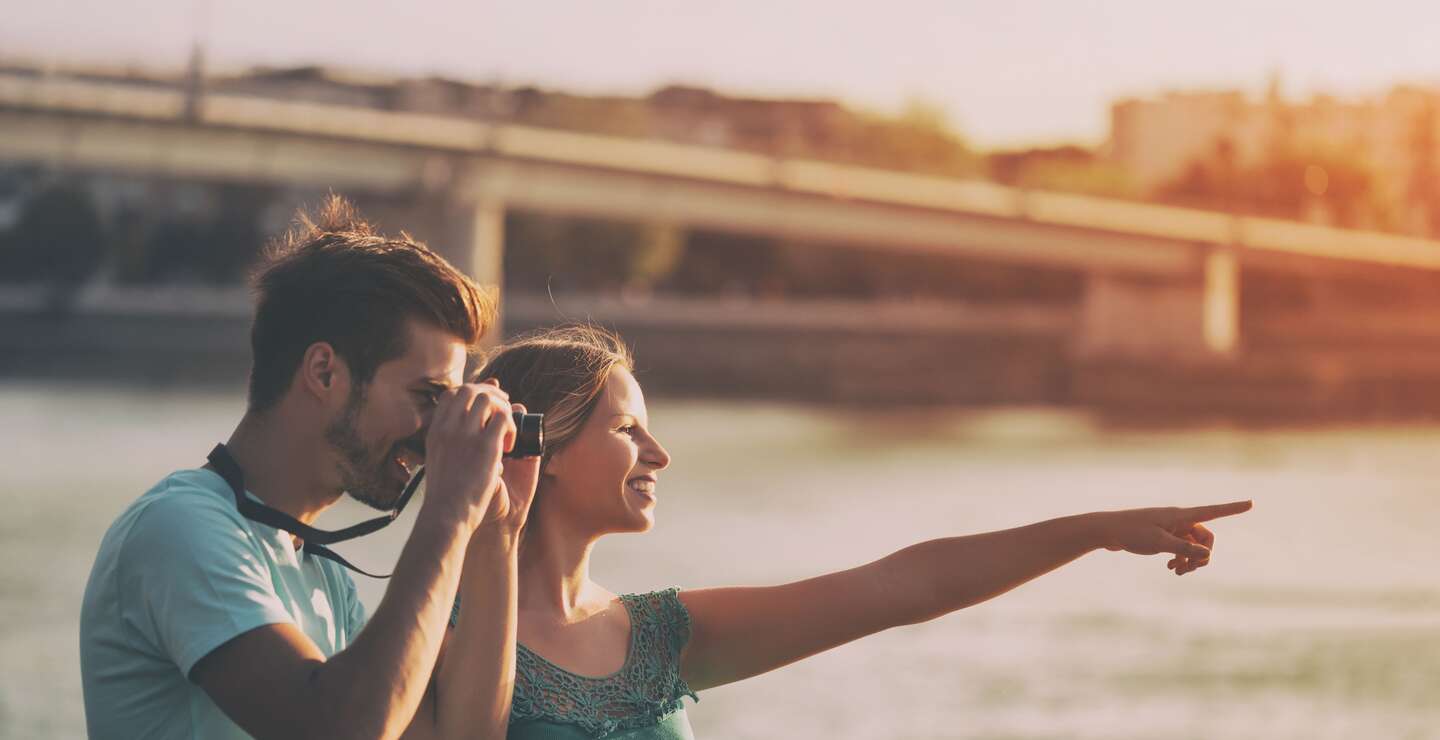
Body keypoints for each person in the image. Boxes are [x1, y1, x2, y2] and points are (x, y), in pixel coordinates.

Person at [448, 325, 1255, 739]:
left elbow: (905, 586)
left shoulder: (663, 635)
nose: (660, 453)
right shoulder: (440, 643)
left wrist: (1096, 530)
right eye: (628, 430)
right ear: (541, 445)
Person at [80, 196, 537, 740]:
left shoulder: (320, 573)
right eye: (428, 396)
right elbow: (339, 729)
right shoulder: (181, 528)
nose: (434, 431)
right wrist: (449, 509)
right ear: (324, 372)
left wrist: (497, 535)